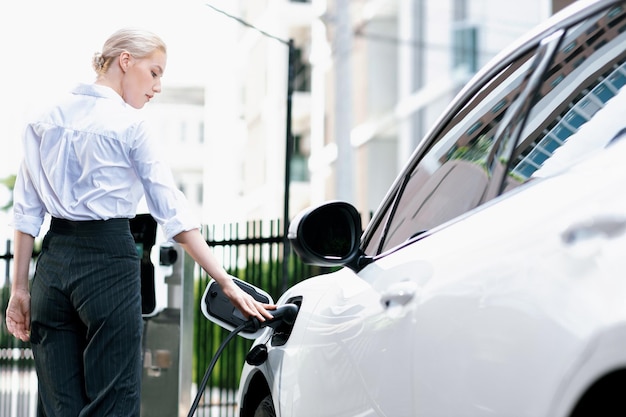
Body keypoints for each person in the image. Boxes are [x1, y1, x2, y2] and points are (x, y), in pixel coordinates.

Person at [5, 27, 275, 417]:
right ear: (125, 61)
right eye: (155, 72)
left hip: (52, 265)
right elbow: (172, 211)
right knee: (113, 403)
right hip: (108, 261)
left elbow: (27, 209)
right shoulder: (129, 125)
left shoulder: (42, 117)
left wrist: (20, 289)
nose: (158, 87)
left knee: (58, 406)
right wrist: (225, 282)